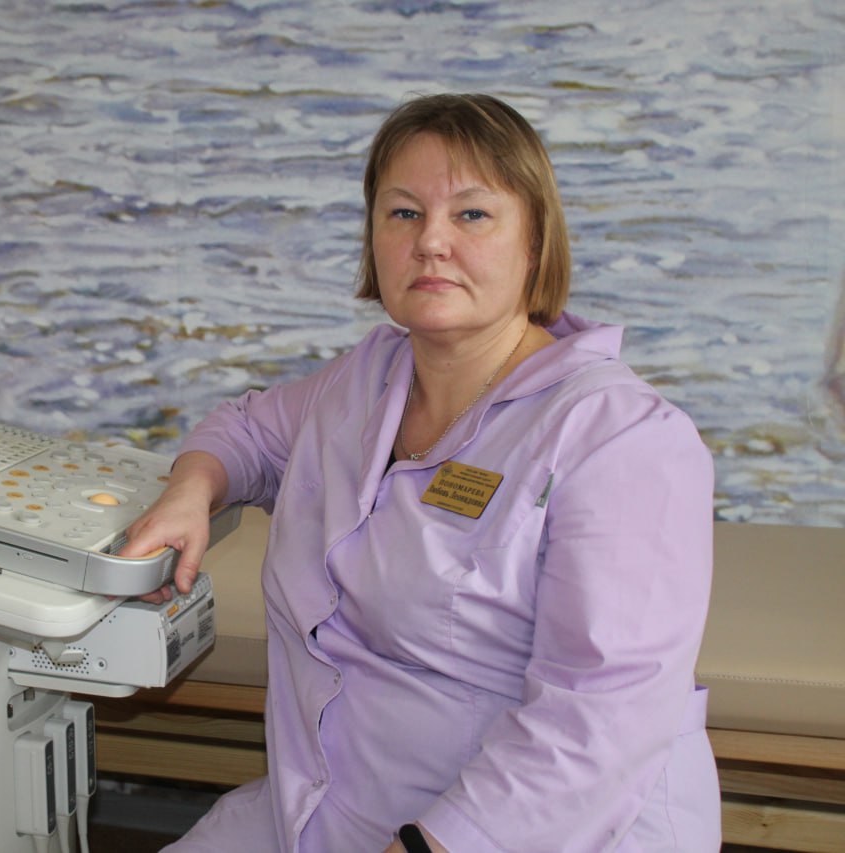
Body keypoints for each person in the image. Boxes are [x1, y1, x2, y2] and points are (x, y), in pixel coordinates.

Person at [121, 93, 720, 852]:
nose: (431, 241)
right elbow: (245, 431)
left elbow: (599, 719)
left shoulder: (622, 439)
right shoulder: (369, 376)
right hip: (330, 804)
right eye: (404, 213)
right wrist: (190, 490)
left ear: (535, 242)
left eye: (472, 214)